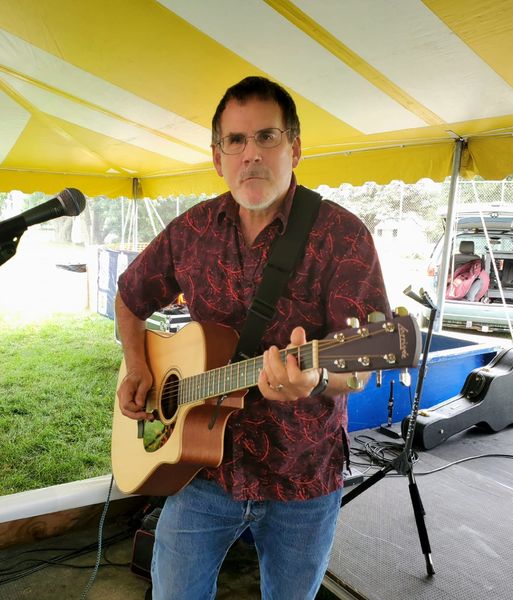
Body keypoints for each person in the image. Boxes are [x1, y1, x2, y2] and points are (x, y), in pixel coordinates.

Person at [115, 76, 390, 600]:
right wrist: (139, 366)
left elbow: (363, 363)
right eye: (235, 141)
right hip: (198, 473)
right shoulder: (190, 231)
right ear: (218, 156)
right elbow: (130, 298)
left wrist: (317, 379)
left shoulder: (342, 236)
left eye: (266, 137)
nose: (251, 155)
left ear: (295, 147)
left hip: (301, 478)